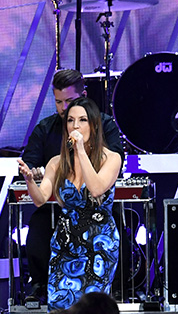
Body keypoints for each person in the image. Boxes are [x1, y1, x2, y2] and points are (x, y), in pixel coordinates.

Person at [20, 69, 124, 301]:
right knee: (61, 309)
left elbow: (96, 188)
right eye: (70, 120)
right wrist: (29, 179)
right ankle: (38, 286)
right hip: (65, 241)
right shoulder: (56, 161)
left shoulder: (110, 156)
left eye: (81, 120)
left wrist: (80, 151)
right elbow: (40, 199)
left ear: (94, 125)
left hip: (99, 242)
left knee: (92, 311)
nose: (73, 123)